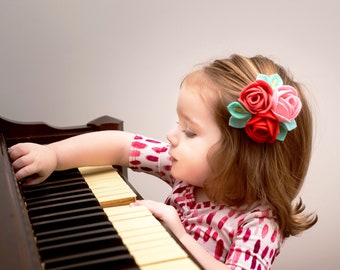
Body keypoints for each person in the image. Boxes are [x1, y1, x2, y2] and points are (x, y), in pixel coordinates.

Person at [8, 54, 317, 270]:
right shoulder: (185, 172)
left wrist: (180, 237)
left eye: (190, 131)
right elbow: (121, 145)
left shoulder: (260, 223)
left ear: (241, 158)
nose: (171, 136)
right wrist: (54, 155)